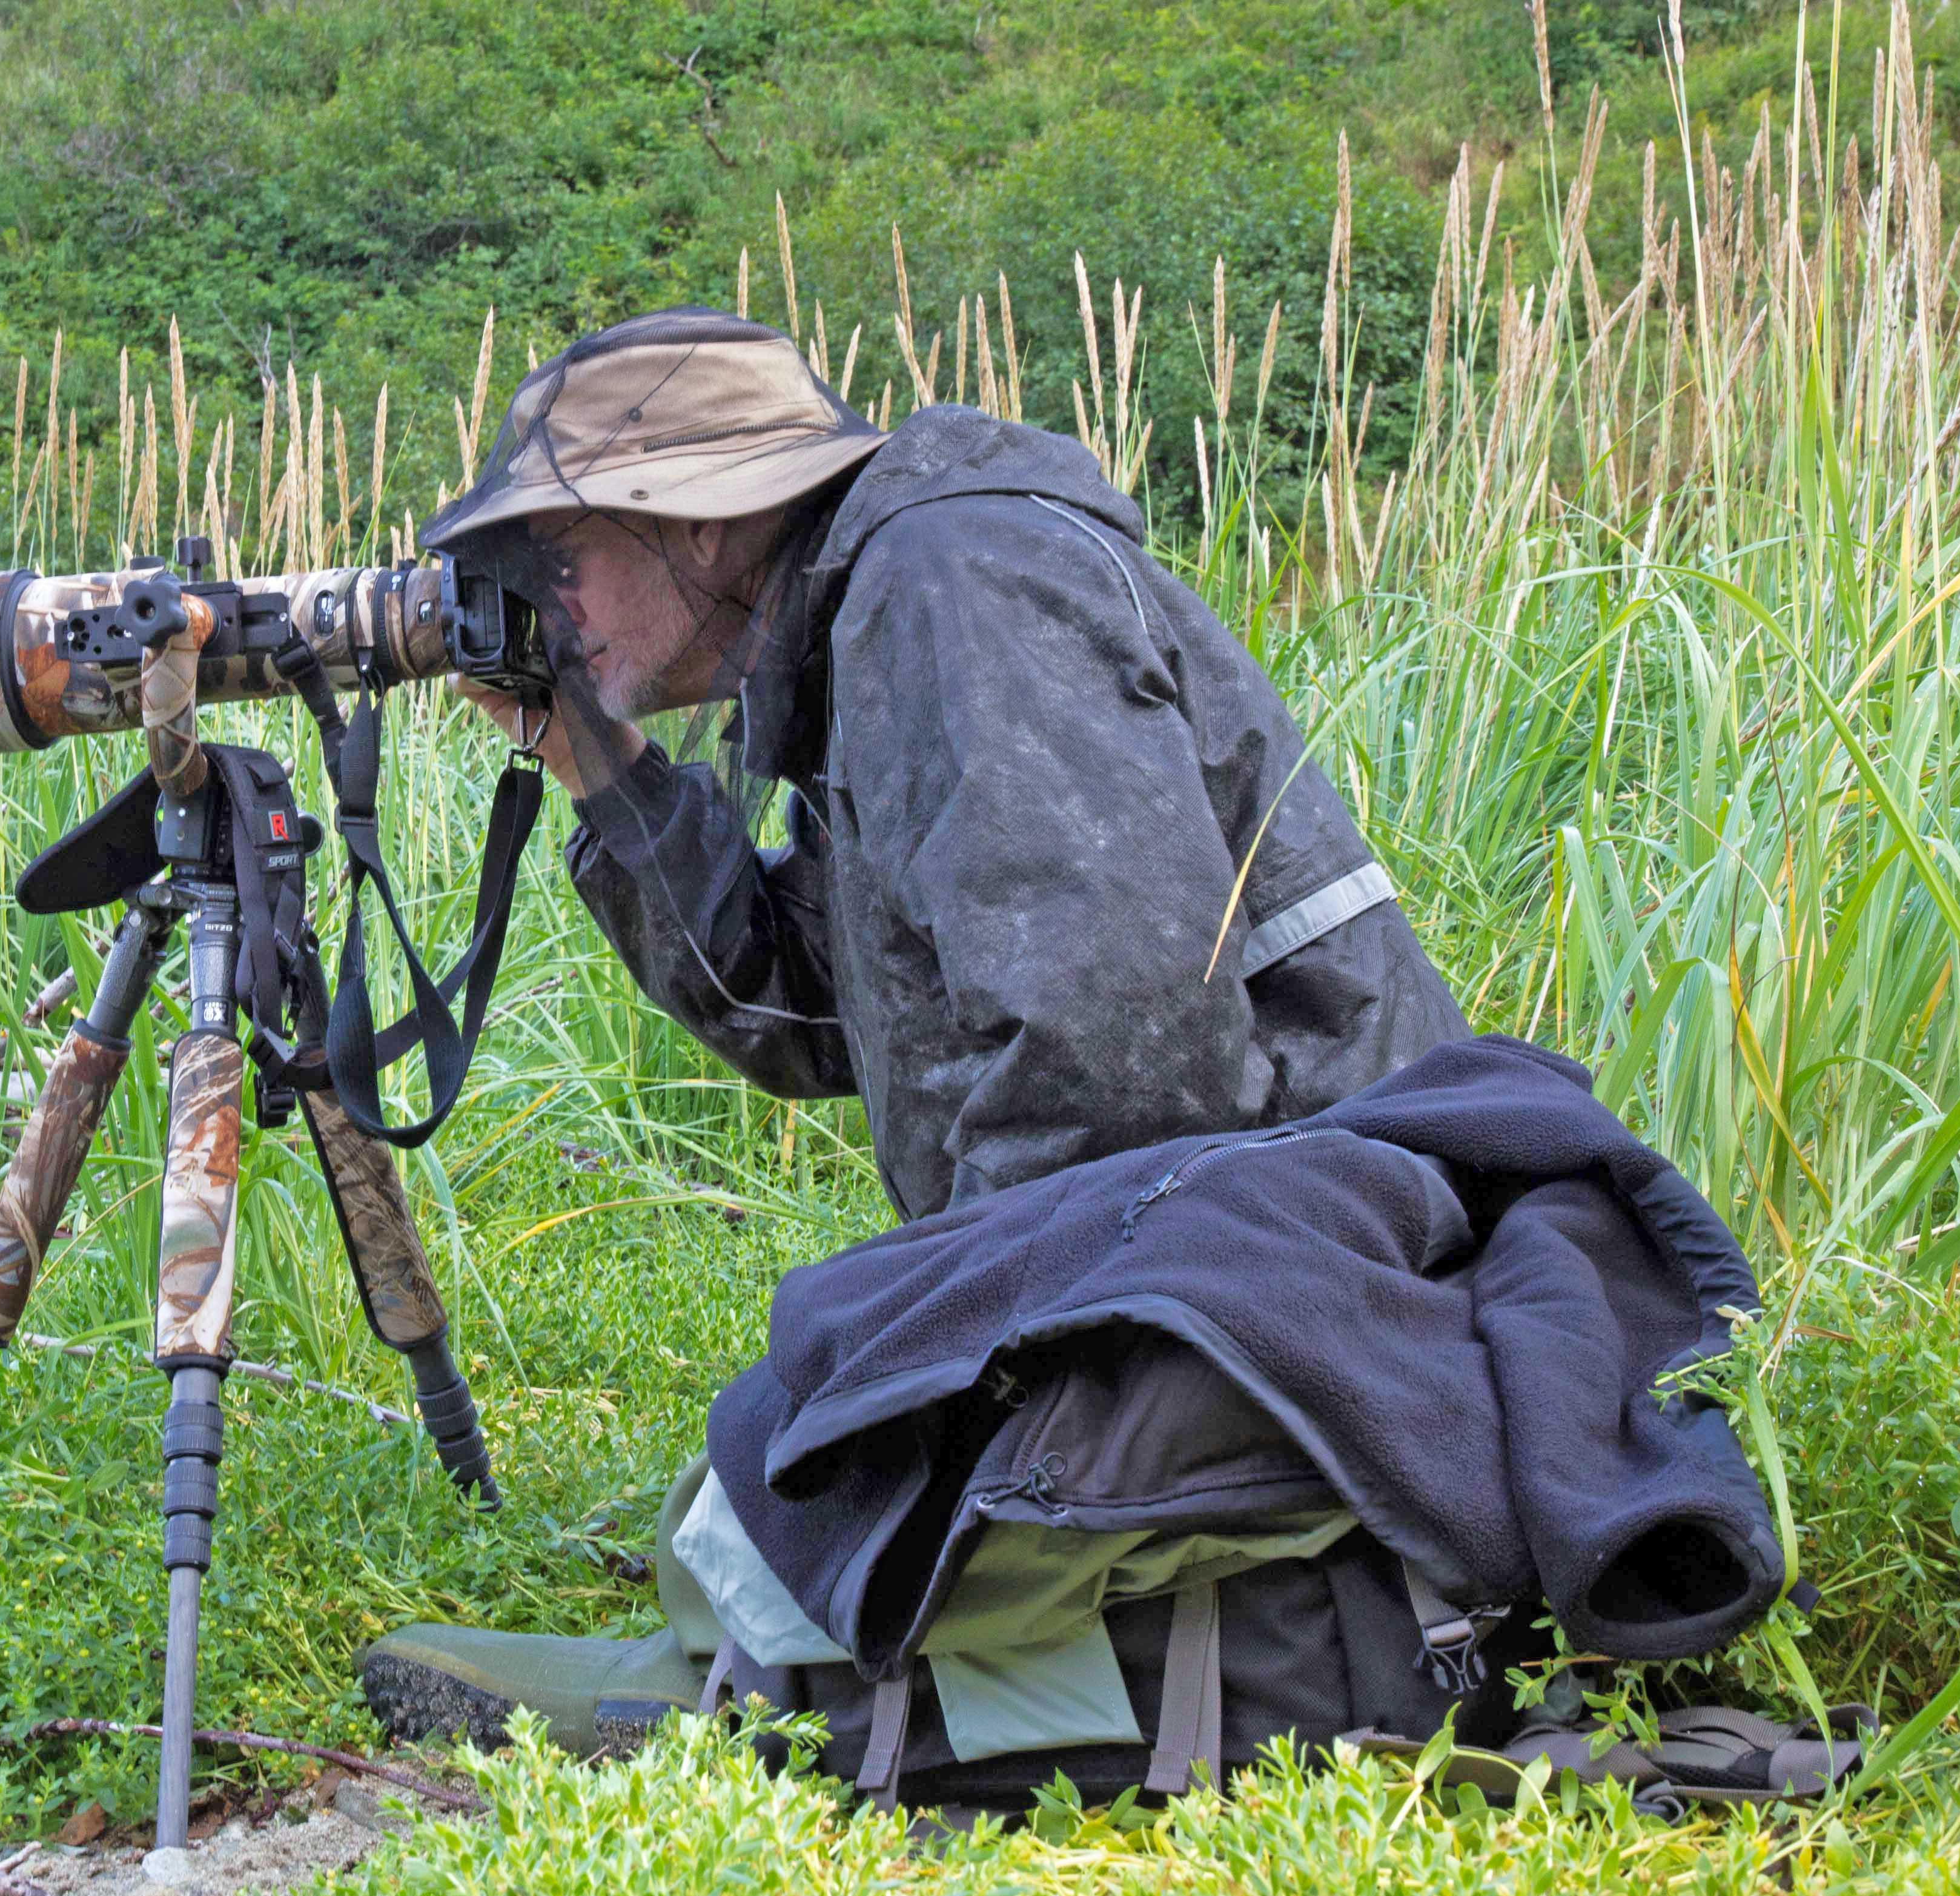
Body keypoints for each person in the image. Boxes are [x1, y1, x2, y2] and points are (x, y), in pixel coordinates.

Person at [355, 306, 1471, 1755]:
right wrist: (595, 760)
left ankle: (754, 1701)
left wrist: (951, 1386)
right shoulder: (872, 621)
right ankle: (757, 1667)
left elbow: (1124, 1060)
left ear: (695, 526)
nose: (542, 606)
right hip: (1265, 1274)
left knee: (822, 1406)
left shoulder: (951, 586)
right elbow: (810, 1011)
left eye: (558, 561)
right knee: (815, 1413)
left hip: (1302, 1303)